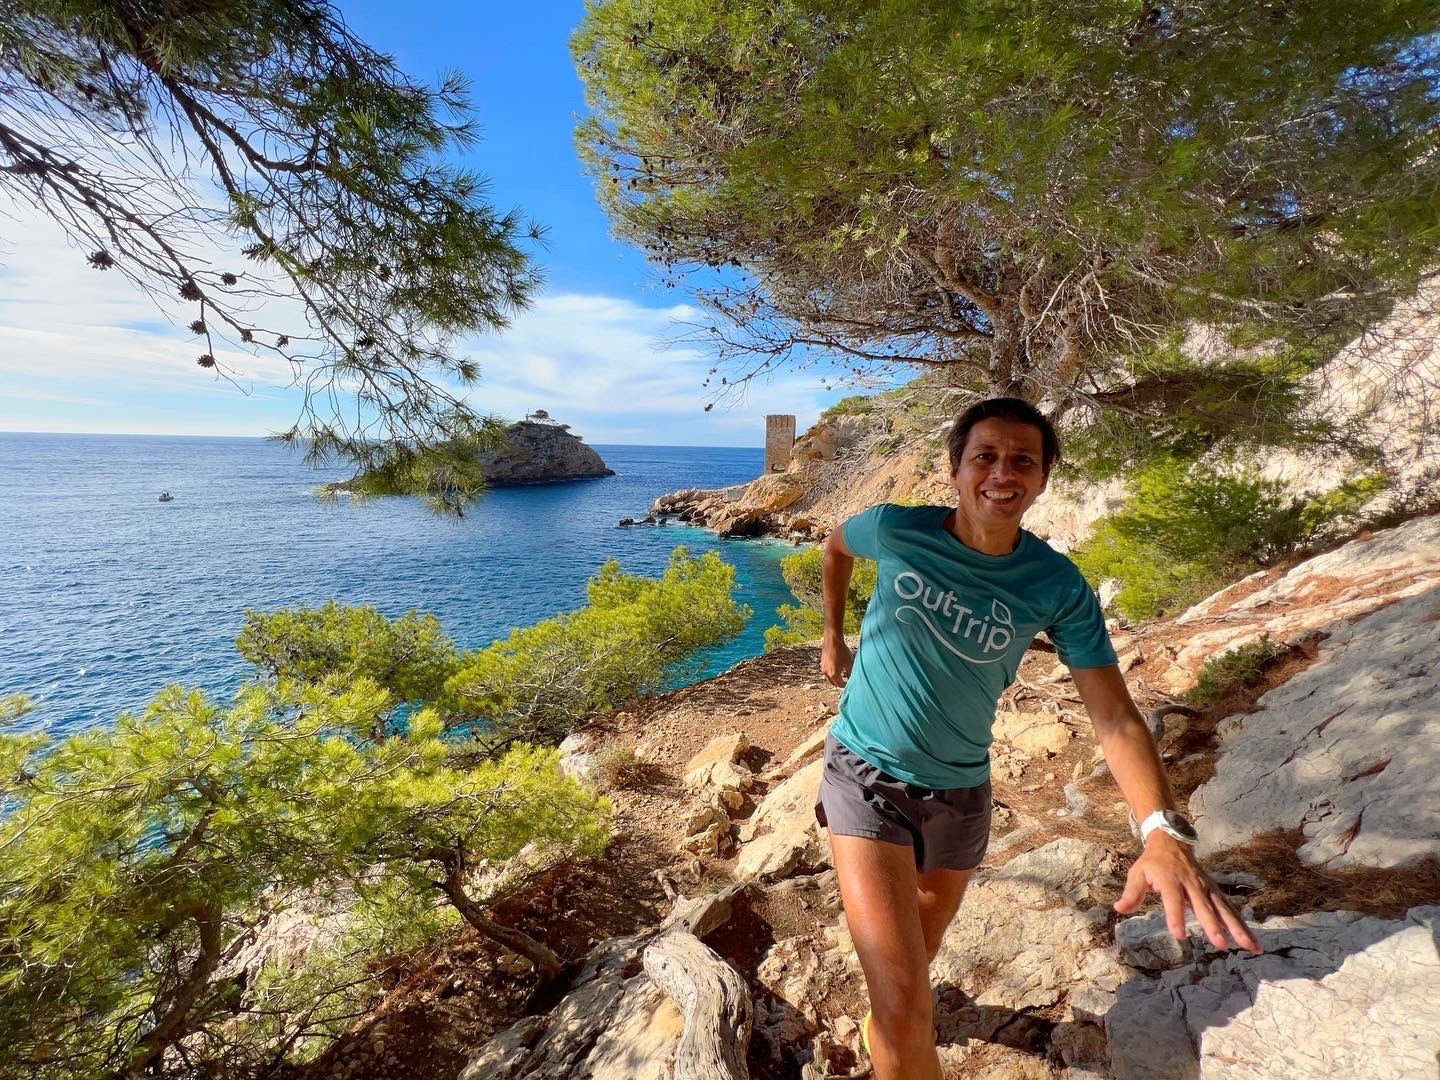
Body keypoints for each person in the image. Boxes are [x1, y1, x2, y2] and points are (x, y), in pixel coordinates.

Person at [816, 397, 1261, 1080]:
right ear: (955, 470)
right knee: (905, 1006)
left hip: (961, 792)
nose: (1002, 473)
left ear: (1043, 478)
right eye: (985, 457)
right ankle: (897, 1032)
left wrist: (1160, 829)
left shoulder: (1057, 585)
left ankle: (890, 1035)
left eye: (1022, 460)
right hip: (864, 777)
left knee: (913, 973)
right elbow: (834, 545)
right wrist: (832, 633)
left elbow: (1114, 715)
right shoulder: (896, 530)